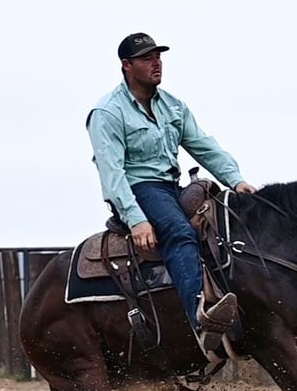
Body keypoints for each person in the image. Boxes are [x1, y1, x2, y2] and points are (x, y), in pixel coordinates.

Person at [86, 32, 257, 355]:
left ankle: (244, 313)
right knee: (179, 233)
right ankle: (200, 320)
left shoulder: (173, 106)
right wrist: (136, 219)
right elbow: (112, 174)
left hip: (171, 186)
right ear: (126, 66)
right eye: (147, 58)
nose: (156, 63)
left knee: (221, 225)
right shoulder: (107, 113)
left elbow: (203, 146)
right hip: (140, 188)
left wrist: (236, 181)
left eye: (158, 56)